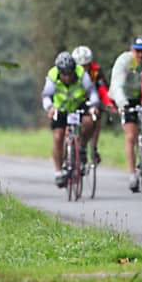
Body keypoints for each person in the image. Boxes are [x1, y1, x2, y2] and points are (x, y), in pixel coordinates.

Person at [42, 51, 100, 187]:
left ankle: (82, 147)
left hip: (78, 105)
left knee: (90, 122)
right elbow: (46, 95)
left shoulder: (81, 73)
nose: (67, 77)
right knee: (58, 137)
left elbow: (92, 92)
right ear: (59, 72)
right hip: (60, 108)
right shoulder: (52, 75)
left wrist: (94, 106)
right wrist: (50, 107)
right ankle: (58, 172)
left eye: (70, 73)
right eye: (64, 74)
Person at [109, 35, 142, 192]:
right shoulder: (125, 61)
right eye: (137, 51)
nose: (140, 54)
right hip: (126, 99)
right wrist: (122, 103)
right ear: (131, 50)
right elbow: (117, 85)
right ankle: (132, 174)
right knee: (131, 136)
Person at [71, 45, 114, 165]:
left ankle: (92, 147)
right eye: (80, 66)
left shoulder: (96, 70)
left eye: (86, 65)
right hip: (73, 100)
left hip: (91, 100)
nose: (83, 69)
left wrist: (108, 103)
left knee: (95, 117)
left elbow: (102, 88)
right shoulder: (69, 71)